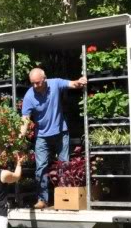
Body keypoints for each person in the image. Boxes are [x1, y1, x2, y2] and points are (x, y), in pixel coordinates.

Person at [20, 68, 87, 209]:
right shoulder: (29, 96)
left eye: (38, 82)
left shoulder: (55, 83)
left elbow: (72, 84)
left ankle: (65, 197)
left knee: (64, 165)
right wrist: (21, 135)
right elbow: (25, 119)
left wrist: (80, 82)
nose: (35, 86)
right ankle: (42, 200)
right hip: (42, 136)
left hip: (60, 132)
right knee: (41, 168)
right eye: (33, 83)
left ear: (44, 79)